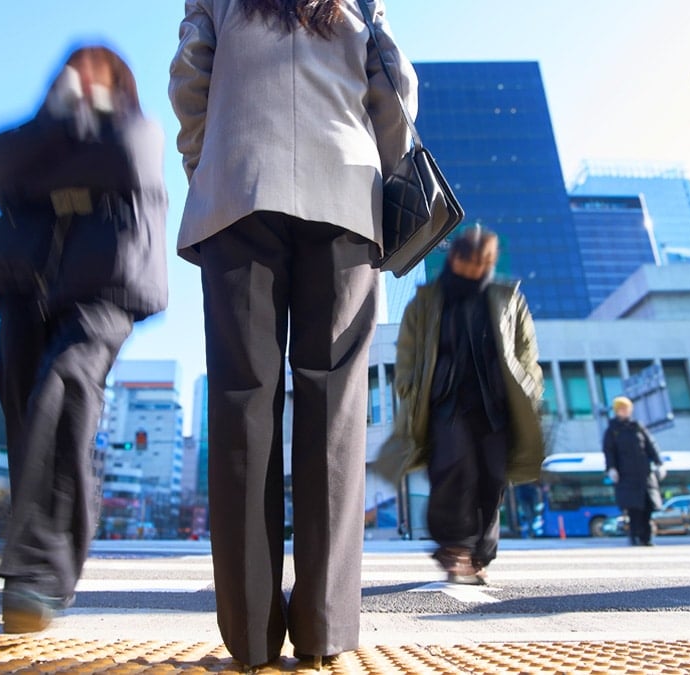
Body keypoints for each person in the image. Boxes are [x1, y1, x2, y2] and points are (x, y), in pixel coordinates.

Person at [169, 0, 416, 667]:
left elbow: (190, 77)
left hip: (238, 186)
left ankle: (250, 635)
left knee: (241, 405)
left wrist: (207, 163)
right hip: (347, 193)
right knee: (334, 409)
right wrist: (385, 167)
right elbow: (394, 81)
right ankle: (324, 626)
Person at [0, 44, 168, 633]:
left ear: (119, 84)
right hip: (25, 287)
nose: (80, 81)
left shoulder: (136, 129)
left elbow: (122, 157)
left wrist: (44, 163)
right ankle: (43, 566)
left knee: (63, 388)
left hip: (104, 288)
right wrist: (58, 135)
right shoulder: (44, 131)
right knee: (23, 410)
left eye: (95, 74)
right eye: (71, 72)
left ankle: (36, 572)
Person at [382, 228, 545, 584]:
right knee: (453, 470)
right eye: (469, 261)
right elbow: (407, 351)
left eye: (482, 262)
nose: (475, 268)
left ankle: (480, 555)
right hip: (446, 400)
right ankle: (455, 547)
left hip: (496, 403)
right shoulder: (427, 301)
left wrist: (530, 388)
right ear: (454, 258)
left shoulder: (508, 298)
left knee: (492, 478)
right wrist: (408, 388)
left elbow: (526, 351)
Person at [603, 396, 665, 547]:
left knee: (648, 507)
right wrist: (611, 468)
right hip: (626, 476)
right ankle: (635, 536)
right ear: (617, 411)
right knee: (634, 509)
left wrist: (659, 463)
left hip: (645, 475)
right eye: (621, 409)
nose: (625, 411)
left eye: (627, 408)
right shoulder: (612, 430)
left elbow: (651, 445)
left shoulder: (638, 427)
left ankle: (646, 538)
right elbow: (609, 451)